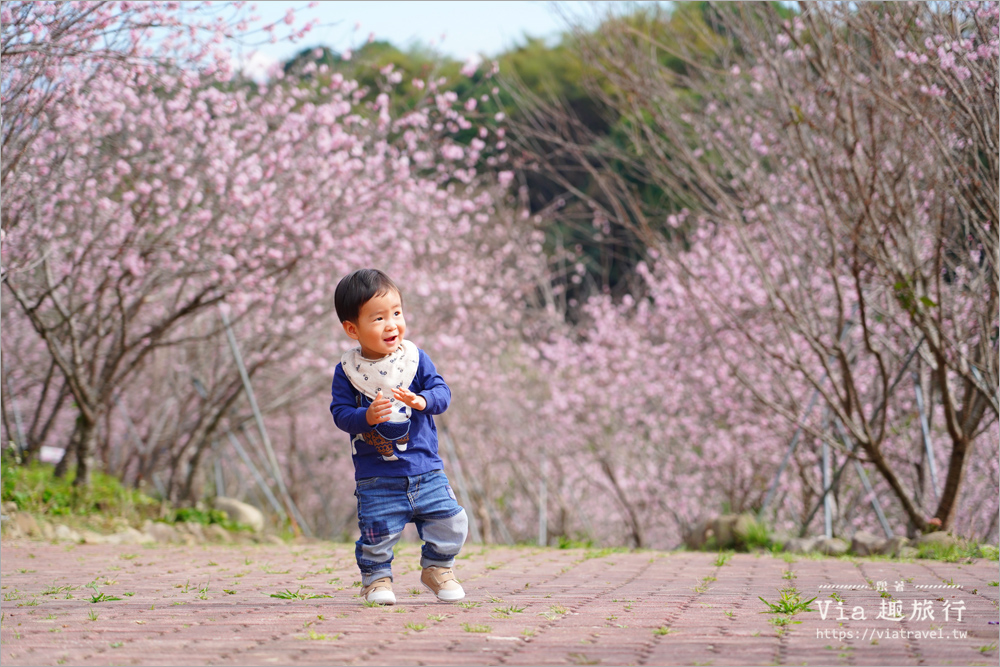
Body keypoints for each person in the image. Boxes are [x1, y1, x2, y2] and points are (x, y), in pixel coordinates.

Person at [329, 268, 468, 605]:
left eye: (396, 313)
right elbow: (340, 414)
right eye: (378, 318)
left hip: (426, 468)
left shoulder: (414, 360)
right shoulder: (348, 372)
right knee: (377, 533)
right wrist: (366, 416)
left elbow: (442, 391)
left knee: (451, 521)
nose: (392, 324)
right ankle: (376, 580)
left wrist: (424, 400)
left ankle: (437, 567)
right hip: (377, 476)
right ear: (352, 329)